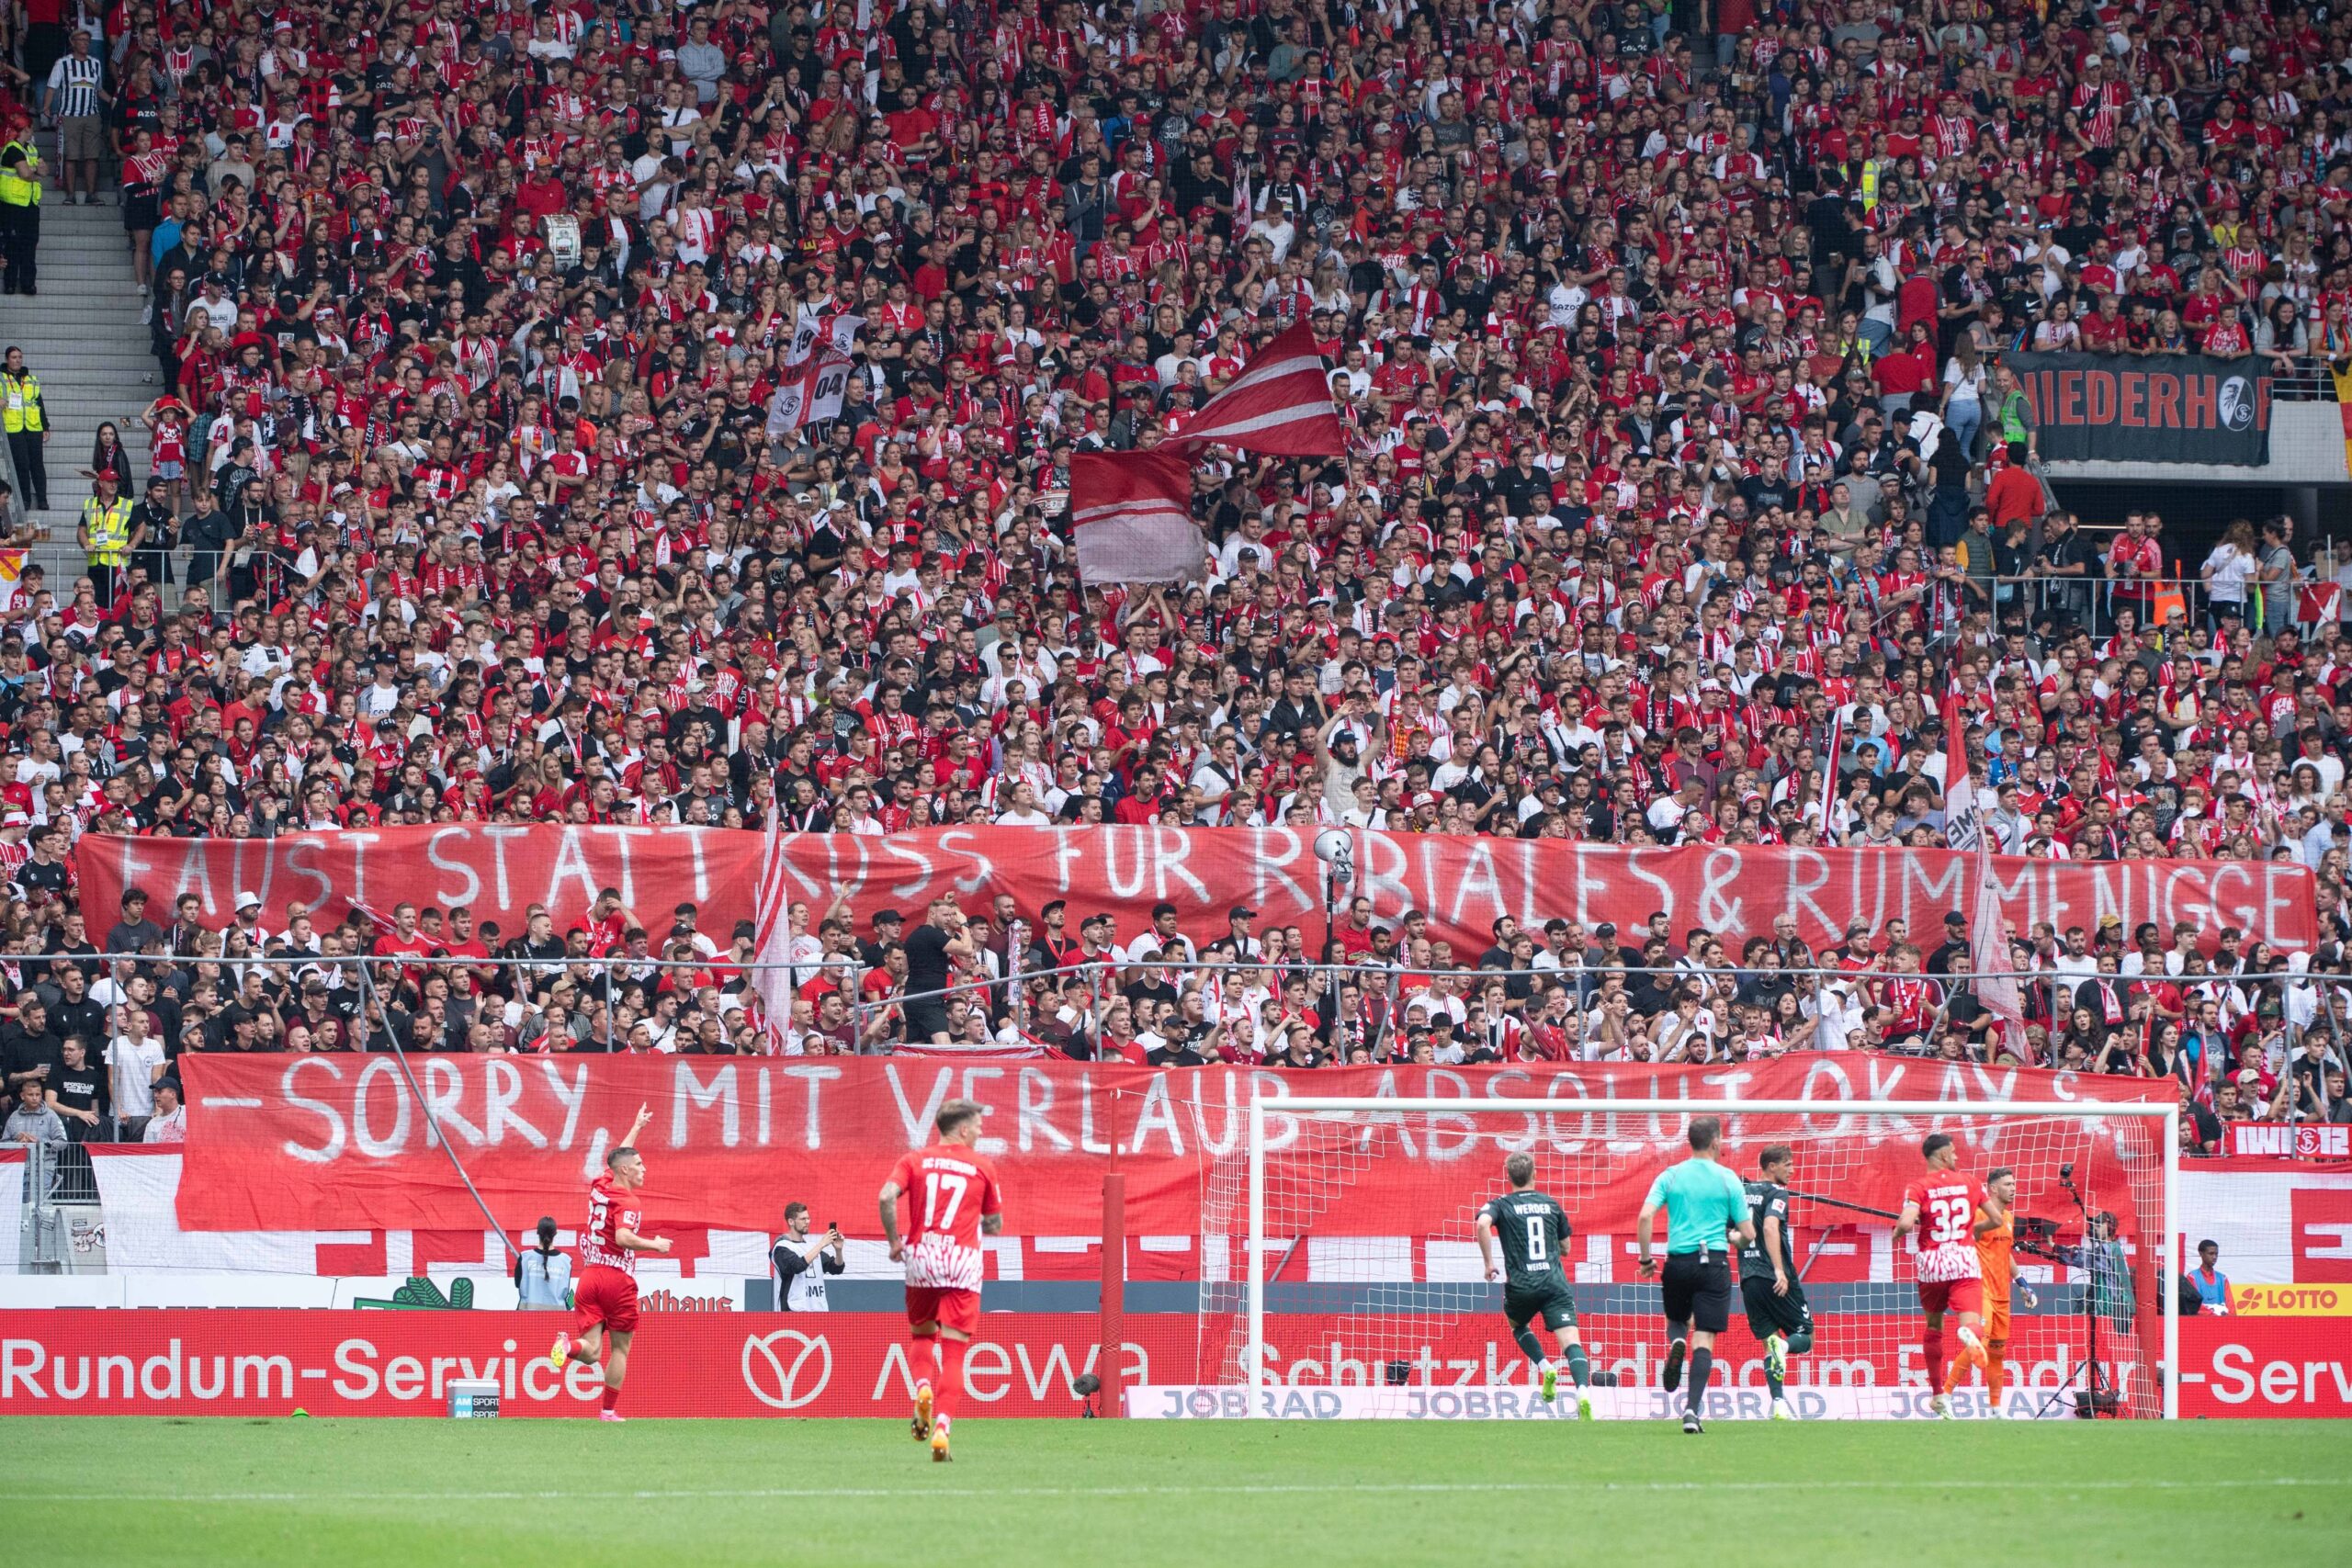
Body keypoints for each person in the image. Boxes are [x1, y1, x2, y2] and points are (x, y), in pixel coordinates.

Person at [879, 1097, 1003, 1462]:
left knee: (922, 1336)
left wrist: (894, 1242)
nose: (980, 1132)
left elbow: (886, 1197)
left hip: (921, 1258)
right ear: (962, 1129)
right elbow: (994, 1225)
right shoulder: (982, 1166)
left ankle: (922, 1389)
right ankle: (942, 1430)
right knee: (954, 1355)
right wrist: (974, 1220)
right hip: (962, 1263)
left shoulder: (914, 1160)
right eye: (978, 1126)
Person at [1634, 1114, 1754, 1434]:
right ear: (1715, 1142)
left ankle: (1676, 1341)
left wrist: (1646, 1259)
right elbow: (1748, 1234)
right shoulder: (1728, 1179)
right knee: (1704, 1338)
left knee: (1677, 1321)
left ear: (1690, 1142)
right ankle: (1691, 1411)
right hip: (1713, 1263)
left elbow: (1645, 1217)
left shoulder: (1671, 1175)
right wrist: (1735, 1239)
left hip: (1678, 1262)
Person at [551, 1105, 671, 1421]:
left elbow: (617, 1157)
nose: (644, 1168)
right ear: (626, 1171)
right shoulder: (629, 1201)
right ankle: (607, 1412)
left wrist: (637, 1127)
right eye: (639, 1165)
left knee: (591, 1352)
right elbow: (623, 1237)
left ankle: (567, 1347)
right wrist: (655, 1245)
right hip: (617, 1278)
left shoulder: (602, 1185)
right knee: (620, 1349)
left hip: (590, 1277)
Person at [1475, 1150, 1593, 1418]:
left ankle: (1545, 1367)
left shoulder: (1501, 1204)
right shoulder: (1551, 1204)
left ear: (1508, 1177)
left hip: (1522, 1285)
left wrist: (1489, 1263)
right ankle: (1583, 1391)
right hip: (1554, 1283)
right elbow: (1566, 1248)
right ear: (1535, 1174)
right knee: (1571, 1341)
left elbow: (1482, 1224)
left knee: (1517, 1325)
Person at [1894, 1132, 1987, 1418]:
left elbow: (1906, 1223)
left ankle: (1937, 1395)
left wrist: (1897, 1233)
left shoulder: (1918, 1186)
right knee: (1973, 1322)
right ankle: (1969, 1333)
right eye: (1954, 1152)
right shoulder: (1971, 1182)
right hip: (1963, 1258)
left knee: (1934, 1326)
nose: (1957, 1156)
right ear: (1944, 1154)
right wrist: (1969, 1230)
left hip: (1932, 1263)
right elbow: (1995, 1219)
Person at [1740, 1144, 1814, 1420]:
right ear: (1772, 1166)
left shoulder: (1743, 1192)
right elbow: (1771, 1226)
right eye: (1787, 1164)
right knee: (1806, 1337)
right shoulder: (1777, 1192)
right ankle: (1784, 1346)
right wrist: (1779, 1270)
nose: (1792, 1170)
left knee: (1769, 1342)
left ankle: (1779, 1403)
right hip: (1775, 1277)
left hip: (1748, 1277)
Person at [1967, 1166, 2036, 1412]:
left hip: (2002, 1294)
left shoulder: (2008, 1218)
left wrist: (2022, 1283)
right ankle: (1945, 1394)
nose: (2014, 1188)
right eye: (2008, 1184)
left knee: (1997, 1353)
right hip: (1980, 1290)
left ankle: (1996, 1409)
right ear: (1993, 1189)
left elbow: (2005, 1253)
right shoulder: (1978, 1215)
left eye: (2014, 1184)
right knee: (1979, 1344)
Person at [900, 897, 979, 1044]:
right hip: (929, 998)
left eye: (950, 915)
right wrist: (964, 924)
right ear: (931, 914)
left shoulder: (913, 936)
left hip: (911, 998)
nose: (949, 919)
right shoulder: (933, 934)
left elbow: (904, 968)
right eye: (945, 915)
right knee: (944, 1046)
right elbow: (967, 949)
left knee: (919, 1047)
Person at [771, 1201, 846, 1311]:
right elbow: (797, 1266)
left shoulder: (811, 1247)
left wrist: (838, 1251)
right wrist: (822, 1244)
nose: (807, 1222)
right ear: (791, 1221)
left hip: (818, 1311)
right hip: (793, 1312)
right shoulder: (781, 1247)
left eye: (808, 1218)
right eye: (803, 1219)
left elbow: (836, 1268)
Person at [1, 346, 47, 513]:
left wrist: (45, 426)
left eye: (20, 357)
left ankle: (42, 499)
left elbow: (39, 403)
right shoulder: (1, 378)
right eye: (14, 357)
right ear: (7, 359)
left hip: (33, 426)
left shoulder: (31, 379)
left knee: (37, 465)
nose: (18, 360)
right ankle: (25, 500)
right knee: (22, 464)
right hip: (13, 428)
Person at [0, 140, 40, 295]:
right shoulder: (12, 148)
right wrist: (34, 170)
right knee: (12, 244)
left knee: (30, 244)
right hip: (12, 204)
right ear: (26, 129)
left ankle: (28, 284)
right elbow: (26, 174)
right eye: (30, 129)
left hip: (31, 204)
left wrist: (32, 171)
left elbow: (44, 170)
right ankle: (10, 284)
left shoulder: (32, 149)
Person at [515, 1215, 573, 1310]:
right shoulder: (566, 1261)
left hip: (527, 1316)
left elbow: (517, 1284)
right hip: (558, 1317)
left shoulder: (525, 1258)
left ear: (537, 1232)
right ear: (555, 1234)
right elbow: (566, 1292)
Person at [2186, 1239, 2233, 1314]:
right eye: (2211, 1254)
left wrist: (2232, 1319)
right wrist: (2212, 1315)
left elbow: (2230, 1305)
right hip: (2202, 1320)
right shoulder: (2192, 1277)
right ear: (2201, 1254)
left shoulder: (2222, 1278)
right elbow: (2194, 1304)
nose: (2214, 1257)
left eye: (2216, 1254)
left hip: (2222, 1320)